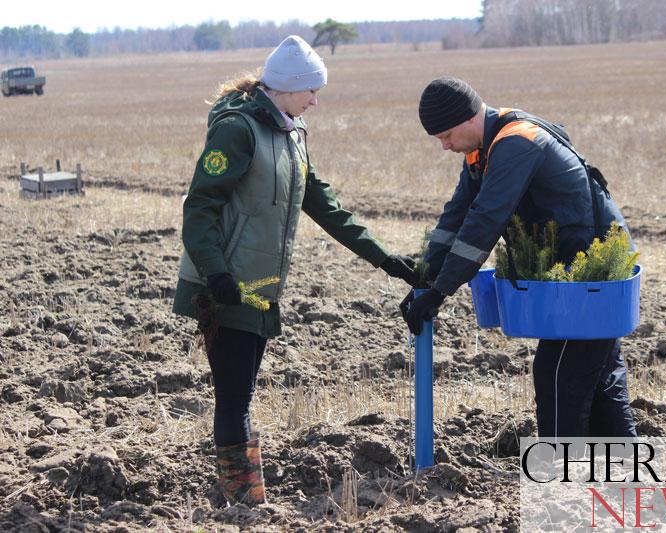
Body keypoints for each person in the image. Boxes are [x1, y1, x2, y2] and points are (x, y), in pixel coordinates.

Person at [172, 35, 418, 507]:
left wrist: (386, 258)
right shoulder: (237, 129)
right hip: (224, 288)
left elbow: (326, 206)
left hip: (260, 287)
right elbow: (200, 206)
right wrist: (216, 273)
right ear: (285, 87)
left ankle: (238, 493)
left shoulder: (291, 133)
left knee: (239, 392)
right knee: (236, 395)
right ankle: (246, 501)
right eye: (311, 90)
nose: (315, 101)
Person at [402, 76, 637, 439]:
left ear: (468, 118)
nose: (444, 146)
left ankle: (564, 475)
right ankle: (623, 467)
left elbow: (485, 220)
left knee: (558, 372)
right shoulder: (484, 149)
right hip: (576, 272)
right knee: (600, 377)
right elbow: (456, 216)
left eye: (446, 135)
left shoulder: (516, 142)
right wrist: (425, 276)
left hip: (594, 270)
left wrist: (440, 291)